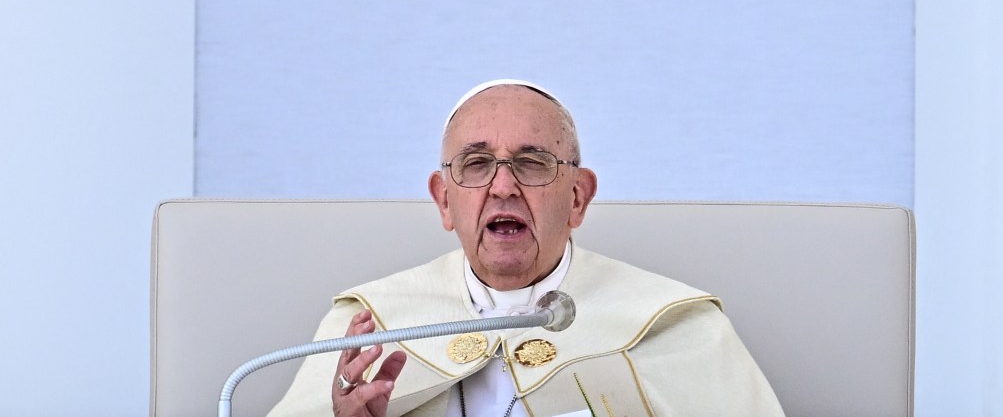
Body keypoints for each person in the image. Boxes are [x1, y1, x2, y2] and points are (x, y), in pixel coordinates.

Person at [268, 80, 784, 416]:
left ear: (578, 197)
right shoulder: (369, 328)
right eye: (475, 164)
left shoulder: (675, 326)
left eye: (532, 163)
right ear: (444, 202)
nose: (502, 186)